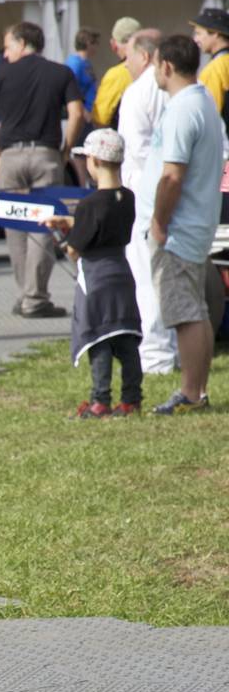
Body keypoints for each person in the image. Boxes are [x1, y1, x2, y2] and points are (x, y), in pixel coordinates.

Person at [0, 21, 85, 319]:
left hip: (10, 156)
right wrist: (65, 149)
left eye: (8, 46)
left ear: (22, 44)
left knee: (16, 227)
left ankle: (25, 294)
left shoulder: (0, 74)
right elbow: (76, 113)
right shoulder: (60, 72)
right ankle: (35, 298)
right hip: (46, 154)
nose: (5, 53)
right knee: (43, 225)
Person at [141, 36, 222, 415]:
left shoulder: (182, 109)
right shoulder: (204, 102)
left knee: (184, 312)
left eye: (155, 64)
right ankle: (197, 389)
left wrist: (159, 222)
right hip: (195, 223)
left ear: (167, 66)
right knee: (197, 310)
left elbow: (172, 176)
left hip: (178, 227)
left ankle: (191, 392)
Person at [41, 130, 143, 417]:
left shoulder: (89, 204)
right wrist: (72, 220)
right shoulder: (129, 199)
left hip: (96, 279)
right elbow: (103, 221)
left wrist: (61, 235)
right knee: (125, 338)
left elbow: (75, 249)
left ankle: (100, 401)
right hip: (122, 274)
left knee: (99, 339)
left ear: (94, 161)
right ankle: (132, 400)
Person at [115, 30, 174, 375]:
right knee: (174, 274)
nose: (126, 63)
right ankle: (173, 348)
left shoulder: (138, 94)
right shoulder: (181, 93)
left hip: (145, 192)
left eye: (129, 56)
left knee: (147, 274)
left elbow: (134, 151)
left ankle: (156, 354)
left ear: (146, 57)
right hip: (174, 189)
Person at [92, 17, 142, 128]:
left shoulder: (116, 74)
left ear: (114, 44)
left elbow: (101, 118)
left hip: (124, 140)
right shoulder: (156, 68)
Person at [190, 8, 229, 130]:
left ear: (215, 33)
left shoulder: (214, 69)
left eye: (199, 33)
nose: (195, 39)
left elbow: (211, 116)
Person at [67, 28, 101, 112]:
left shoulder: (86, 63)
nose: (97, 47)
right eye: (96, 43)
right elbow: (70, 90)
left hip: (89, 113)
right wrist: (83, 111)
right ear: (88, 43)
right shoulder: (75, 64)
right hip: (82, 114)